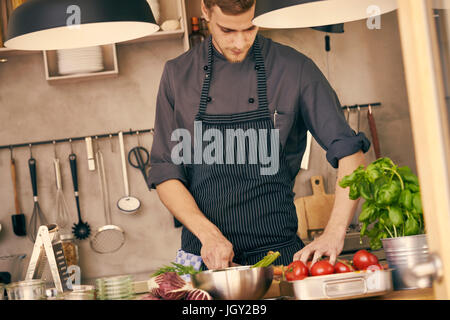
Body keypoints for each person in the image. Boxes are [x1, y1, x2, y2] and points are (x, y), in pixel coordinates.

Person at [148, 0, 370, 271]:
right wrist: (210, 235)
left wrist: (335, 232)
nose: (240, 42)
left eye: (250, 28)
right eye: (227, 30)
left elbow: (350, 153)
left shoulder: (294, 68)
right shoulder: (176, 75)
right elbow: (165, 174)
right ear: (205, 12)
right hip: (202, 259)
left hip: (280, 259)